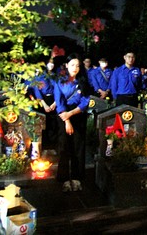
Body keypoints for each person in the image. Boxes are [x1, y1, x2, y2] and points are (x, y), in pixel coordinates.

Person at [53, 53, 92, 192]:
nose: (75, 68)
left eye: (77, 65)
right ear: (67, 66)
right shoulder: (60, 81)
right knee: (64, 146)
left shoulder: (83, 81)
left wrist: (72, 113)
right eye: (72, 65)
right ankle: (64, 179)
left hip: (78, 114)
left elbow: (85, 101)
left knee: (78, 146)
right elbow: (59, 101)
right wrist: (67, 120)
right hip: (63, 115)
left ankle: (77, 178)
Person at [33, 57, 58, 150]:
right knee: (43, 122)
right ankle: (44, 146)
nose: (51, 65)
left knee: (54, 123)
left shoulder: (56, 76)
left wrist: (55, 103)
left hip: (54, 100)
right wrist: (44, 104)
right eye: (49, 63)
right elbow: (37, 91)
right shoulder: (40, 76)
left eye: (53, 63)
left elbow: (58, 89)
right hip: (43, 100)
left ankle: (54, 146)